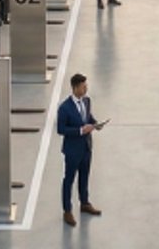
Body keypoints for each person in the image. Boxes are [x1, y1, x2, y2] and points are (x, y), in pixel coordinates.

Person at [57, 72, 105, 226]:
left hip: (86, 147)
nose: (86, 89)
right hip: (72, 150)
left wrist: (96, 124)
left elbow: (87, 117)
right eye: (83, 87)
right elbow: (61, 129)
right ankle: (67, 210)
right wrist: (80, 131)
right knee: (69, 180)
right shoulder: (65, 108)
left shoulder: (87, 101)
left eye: (86, 86)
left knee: (84, 176)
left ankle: (84, 203)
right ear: (75, 88)